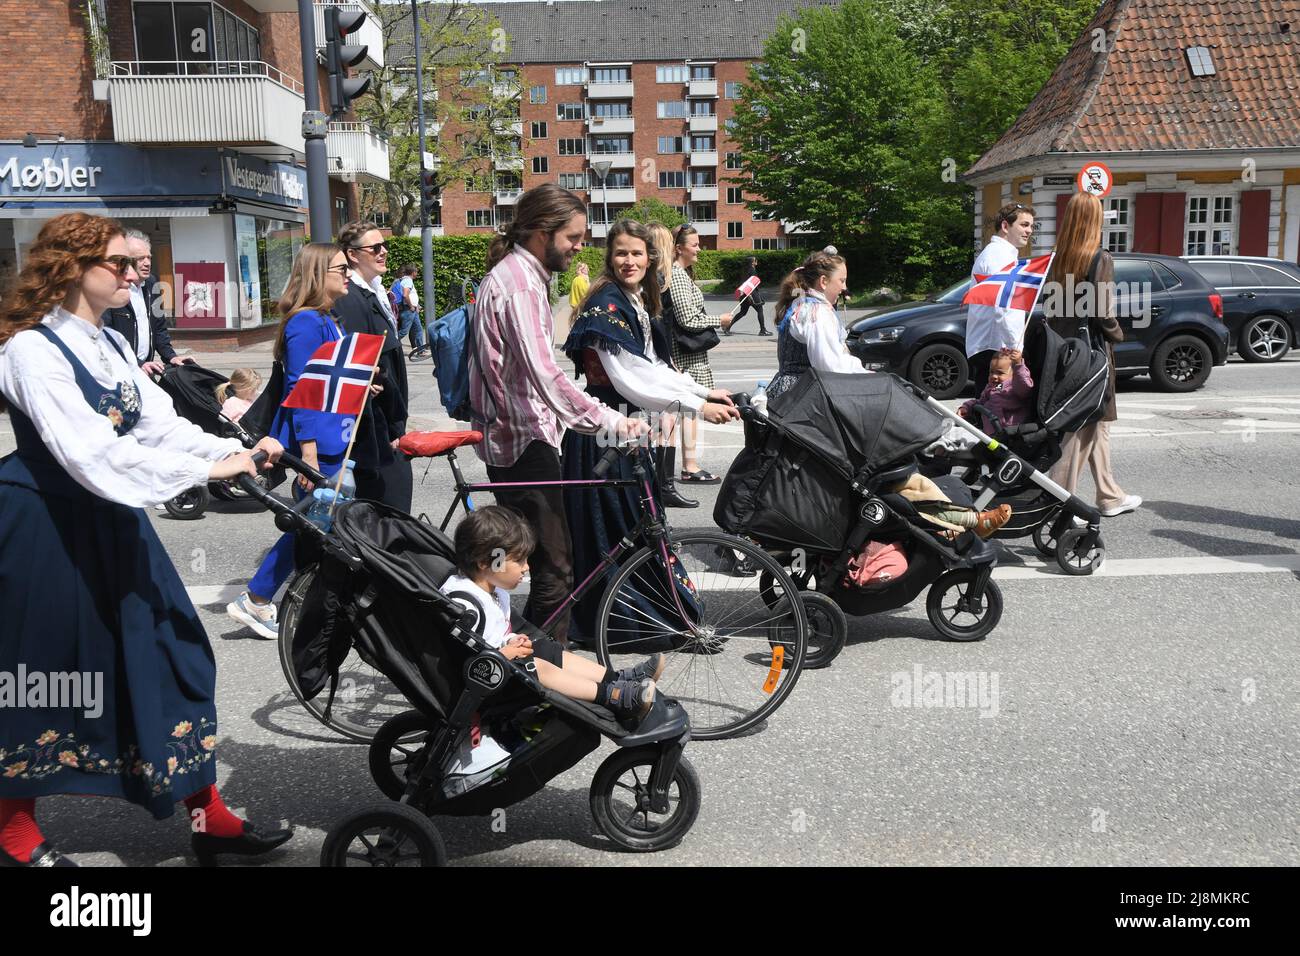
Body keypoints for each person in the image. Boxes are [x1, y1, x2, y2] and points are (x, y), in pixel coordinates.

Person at [0, 213, 292, 867]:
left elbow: (158, 426)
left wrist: (237, 449)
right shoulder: (29, 350)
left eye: (136, 264)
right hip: (47, 525)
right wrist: (208, 470)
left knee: (176, 654)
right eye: (120, 264)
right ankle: (14, 829)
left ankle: (207, 813)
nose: (136, 273)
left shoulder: (108, 344)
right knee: (43, 676)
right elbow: (90, 454)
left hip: (112, 520)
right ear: (72, 269)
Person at [471, 184, 646, 644]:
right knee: (555, 569)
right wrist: (609, 420)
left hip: (515, 438)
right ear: (540, 232)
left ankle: (511, 657)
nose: (579, 245)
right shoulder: (521, 285)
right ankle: (544, 686)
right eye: (572, 236)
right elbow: (547, 376)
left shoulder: (518, 276)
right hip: (523, 442)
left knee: (520, 559)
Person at [562, 218, 740, 641]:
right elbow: (629, 378)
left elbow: (655, 367)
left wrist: (703, 393)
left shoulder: (635, 299)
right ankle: (622, 627)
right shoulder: (605, 302)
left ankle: (652, 619)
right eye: (621, 252)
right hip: (602, 437)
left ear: (649, 258)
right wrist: (696, 405)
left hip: (626, 431)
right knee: (616, 534)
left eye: (636, 253)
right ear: (610, 257)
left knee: (639, 528)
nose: (629, 260)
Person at [226, 243, 381, 639]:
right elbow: (302, 389)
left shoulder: (326, 319)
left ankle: (275, 597)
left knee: (318, 523)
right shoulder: (305, 324)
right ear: (318, 274)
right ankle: (258, 598)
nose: (347, 274)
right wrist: (308, 454)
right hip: (318, 444)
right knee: (312, 523)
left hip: (334, 438)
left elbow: (327, 380)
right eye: (340, 268)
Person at [443, 506, 663, 720]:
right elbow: (470, 661)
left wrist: (512, 640)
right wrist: (508, 653)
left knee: (545, 647)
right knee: (536, 666)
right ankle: (612, 696)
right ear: (484, 562)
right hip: (488, 682)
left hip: (503, 665)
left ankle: (614, 680)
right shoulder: (465, 604)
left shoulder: (493, 589)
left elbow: (496, 631)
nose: (526, 567)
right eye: (518, 560)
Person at [1044, 192, 1140, 517]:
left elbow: (1054, 309)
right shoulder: (1100, 258)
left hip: (1063, 351)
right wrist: (1117, 332)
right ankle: (1057, 501)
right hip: (1093, 354)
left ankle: (1110, 495)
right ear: (1093, 220)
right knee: (1080, 428)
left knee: (1096, 422)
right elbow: (1102, 309)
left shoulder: (1058, 258)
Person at [333, 221, 411, 512]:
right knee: (389, 512)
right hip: (375, 430)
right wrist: (390, 426)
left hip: (387, 425)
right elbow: (358, 364)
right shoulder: (351, 298)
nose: (384, 252)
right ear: (353, 255)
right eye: (375, 248)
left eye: (384, 246)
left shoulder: (374, 290)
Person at [666, 224, 735, 484]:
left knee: (686, 413)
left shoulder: (679, 274)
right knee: (689, 411)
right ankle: (690, 467)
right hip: (687, 357)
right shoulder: (678, 276)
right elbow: (687, 319)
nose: (699, 249)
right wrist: (720, 319)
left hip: (688, 355)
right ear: (678, 248)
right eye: (694, 244)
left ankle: (686, 466)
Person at [766, 250, 862, 401]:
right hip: (803, 395)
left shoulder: (802, 302)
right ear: (823, 281)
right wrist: (864, 376)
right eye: (841, 280)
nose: (844, 287)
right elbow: (830, 366)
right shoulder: (817, 313)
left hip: (788, 390)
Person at [646, 221, 695, 509]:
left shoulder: (652, 278)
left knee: (661, 425)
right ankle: (664, 487)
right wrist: (669, 363)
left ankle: (661, 486)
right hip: (657, 361)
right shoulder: (659, 278)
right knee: (667, 423)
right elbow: (659, 325)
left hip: (656, 359)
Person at [102, 227, 190, 375]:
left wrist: (171, 357)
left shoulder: (151, 284)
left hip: (146, 371)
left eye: (149, 257)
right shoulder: (114, 289)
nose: (147, 263)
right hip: (120, 371)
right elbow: (106, 335)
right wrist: (138, 363)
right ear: (125, 261)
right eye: (140, 258)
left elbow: (160, 328)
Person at [968, 203, 1036, 393]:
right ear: (1005, 226)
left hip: (991, 345)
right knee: (995, 412)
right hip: (996, 347)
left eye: (1031, 226)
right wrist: (1015, 346)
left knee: (990, 410)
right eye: (1024, 225)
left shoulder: (999, 253)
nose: (1029, 231)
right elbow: (1004, 306)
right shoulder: (999, 256)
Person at [958, 348, 1033, 433]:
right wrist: (967, 407)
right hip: (991, 433)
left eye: (1000, 373)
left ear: (1013, 374)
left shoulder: (1014, 387)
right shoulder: (993, 387)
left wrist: (1018, 365)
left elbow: (1024, 385)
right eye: (991, 372)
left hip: (1010, 434)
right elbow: (980, 402)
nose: (994, 376)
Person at [727, 257, 770, 335]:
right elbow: (751, 283)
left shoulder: (745, 270)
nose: (756, 261)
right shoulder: (752, 270)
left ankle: (727, 327)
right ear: (752, 262)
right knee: (760, 310)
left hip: (744, 293)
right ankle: (763, 330)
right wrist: (750, 295)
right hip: (752, 294)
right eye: (755, 260)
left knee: (743, 312)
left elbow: (744, 283)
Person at [392, 263, 425, 354]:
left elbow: (410, 295)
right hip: (408, 310)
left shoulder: (404, 280)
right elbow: (405, 295)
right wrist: (411, 306)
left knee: (418, 329)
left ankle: (421, 350)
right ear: (413, 272)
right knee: (404, 331)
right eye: (416, 272)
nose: (417, 273)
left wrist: (416, 306)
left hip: (412, 310)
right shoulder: (408, 281)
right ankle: (388, 343)